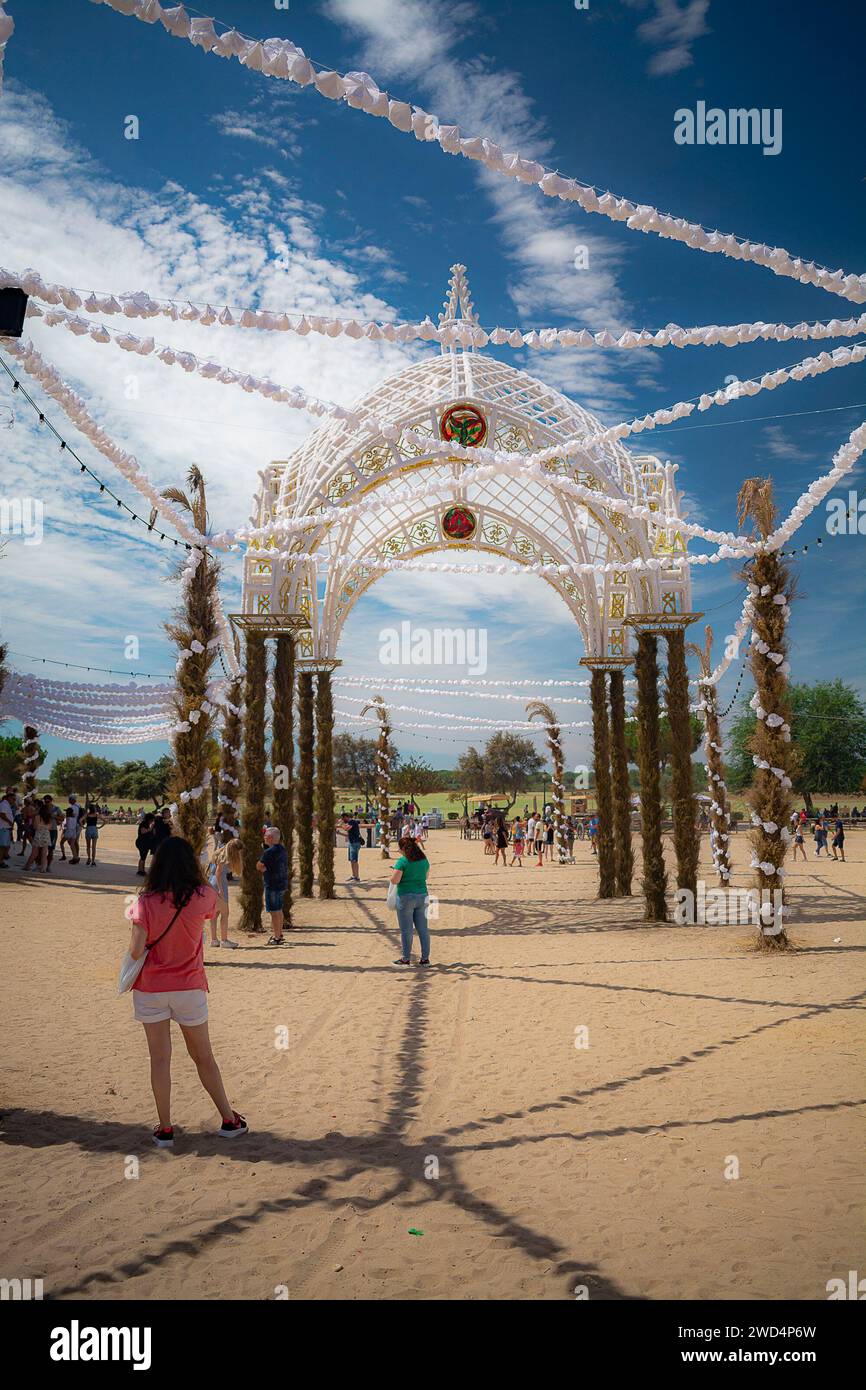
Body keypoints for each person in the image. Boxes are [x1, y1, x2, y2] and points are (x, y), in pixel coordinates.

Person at [127, 834, 247, 1147]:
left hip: (152, 987)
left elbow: (136, 951)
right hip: (189, 986)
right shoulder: (201, 896)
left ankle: (165, 1128)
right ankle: (229, 1119)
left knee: (160, 1060)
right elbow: (217, 905)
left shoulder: (145, 902)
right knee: (203, 1056)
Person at [391, 834, 431, 967]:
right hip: (422, 895)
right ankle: (425, 958)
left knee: (406, 930)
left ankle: (405, 958)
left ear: (403, 848)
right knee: (423, 929)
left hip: (406, 896)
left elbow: (395, 880)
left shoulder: (402, 861)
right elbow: (426, 876)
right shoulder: (424, 860)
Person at [207, 837, 242, 947]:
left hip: (212, 883)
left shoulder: (219, 852)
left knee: (214, 914)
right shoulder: (224, 857)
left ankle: (214, 940)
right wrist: (221, 890)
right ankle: (224, 940)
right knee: (225, 913)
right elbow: (218, 873)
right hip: (219, 884)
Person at [256, 826, 288, 945]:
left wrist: (264, 869)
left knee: (274, 912)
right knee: (279, 910)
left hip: (272, 884)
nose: (264, 838)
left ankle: (277, 937)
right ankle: (279, 933)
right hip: (281, 883)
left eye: (265, 836)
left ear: (269, 838)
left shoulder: (269, 852)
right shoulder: (282, 849)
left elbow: (259, 865)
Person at [0, 787, 14, 868]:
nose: (14, 801)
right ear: (8, 798)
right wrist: (10, 822)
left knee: (4, 846)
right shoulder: (4, 804)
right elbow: (2, 814)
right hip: (3, 828)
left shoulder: (6, 804)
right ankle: (1, 862)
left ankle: (2, 860)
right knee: (2, 846)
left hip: (6, 828)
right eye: (13, 799)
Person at [346, 815, 363, 882]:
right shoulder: (351, 823)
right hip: (352, 843)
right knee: (352, 860)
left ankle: (357, 877)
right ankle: (354, 876)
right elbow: (348, 834)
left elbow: (346, 829)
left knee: (354, 860)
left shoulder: (352, 821)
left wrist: (340, 824)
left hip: (354, 843)